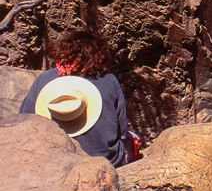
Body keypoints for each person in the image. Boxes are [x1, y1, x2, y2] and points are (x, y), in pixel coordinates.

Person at [20, 27, 130, 167]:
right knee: (132, 139)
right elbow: (123, 132)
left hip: (54, 161)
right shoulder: (109, 80)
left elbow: (24, 121)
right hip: (105, 161)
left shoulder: (44, 79)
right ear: (98, 54)